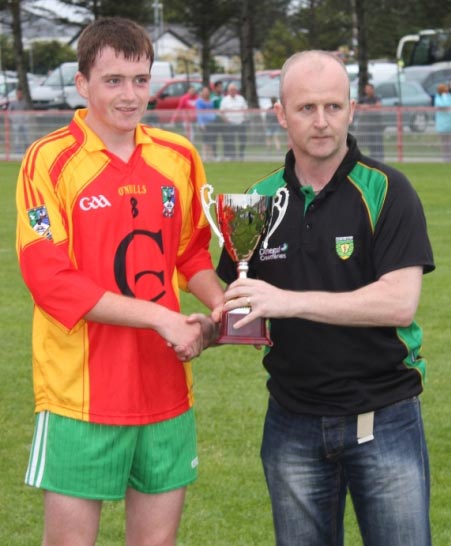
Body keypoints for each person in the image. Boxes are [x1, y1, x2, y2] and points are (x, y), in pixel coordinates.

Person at [16, 17, 224, 546]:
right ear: (83, 84)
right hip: (80, 396)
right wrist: (161, 316)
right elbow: (50, 279)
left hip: (166, 387)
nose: (130, 96)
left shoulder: (178, 157)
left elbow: (191, 251)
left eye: (140, 79)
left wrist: (226, 308)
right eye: (113, 81)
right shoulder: (50, 161)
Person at [217, 50, 434, 546]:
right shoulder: (257, 200)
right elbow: (241, 301)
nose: (321, 122)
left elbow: (398, 303)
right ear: (280, 114)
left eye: (333, 107)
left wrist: (286, 301)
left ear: (351, 109)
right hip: (291, 422)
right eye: (306, 108)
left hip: (384, 417)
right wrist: (205, 328)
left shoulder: (388, 190)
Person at [219, 83, 248, 160]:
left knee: (243, 140)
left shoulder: (241, 98)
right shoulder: (225, 100)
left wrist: (244, 119)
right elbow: (221, 112)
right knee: (231, 140)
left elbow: (245, 110)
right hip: (230, 123)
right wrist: (226, 120)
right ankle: (233, 156)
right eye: (231, 90)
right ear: (228, 91)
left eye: (234, 90)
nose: (232, 91)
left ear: (236, 90)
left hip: (241, 122)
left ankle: (241, 155)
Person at [357, 82, 384, 161]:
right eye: (366, 89)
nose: (367, 90)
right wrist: (361, 107)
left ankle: (380, 158)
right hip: (367, 125)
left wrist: (368, 107)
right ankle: (373, 157)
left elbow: (379, 106)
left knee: (378, 142)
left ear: (373, 90)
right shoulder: (364, 99)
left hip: (377, 124)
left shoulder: (376, 98)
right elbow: (356, 105)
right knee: (370, 142)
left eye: (369, 89)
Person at [195, 86, 216, 161]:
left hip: (211, 123)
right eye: (205, 91)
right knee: (205, 140)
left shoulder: (210, 101)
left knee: (211, 140)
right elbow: (199, 113)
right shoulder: (199, 102)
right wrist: (201, 124)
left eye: (207, 91)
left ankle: (211, 156)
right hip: (204, 124)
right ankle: (204, 156)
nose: (206, 93)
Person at [8, 86, 30, 154]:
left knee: (26, 137)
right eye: (18, 93)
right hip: (16, 123)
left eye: (20, 93)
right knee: (16, 138)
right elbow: (8, 112)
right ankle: (17, 151)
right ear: (16, 94)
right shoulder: (13, 103)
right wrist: (13, 119)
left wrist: (26, 118)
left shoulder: (24, 103)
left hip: (23, 123)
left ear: (22, 94)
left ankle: (27, 150)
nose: (19, 95)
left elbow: (28, 112)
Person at [434, 82, 451, 161]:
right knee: (445, 143)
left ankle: (449, 157)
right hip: (442, 126)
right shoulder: (438, 98)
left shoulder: (448, 96)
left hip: (449, 124)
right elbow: (443, 105)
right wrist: (444, 95)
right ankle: (446, 158)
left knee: (449, 143)